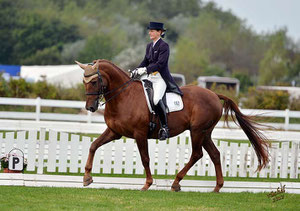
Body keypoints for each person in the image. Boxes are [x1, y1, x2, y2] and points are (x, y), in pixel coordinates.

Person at [133, 21, 183, 140]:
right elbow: (145, 61)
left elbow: (160, 64)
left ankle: (164, 128)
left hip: (160, 78)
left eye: (152, 31)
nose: (150, 32)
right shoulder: (149, 46)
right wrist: (137, 70)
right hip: (149, 78)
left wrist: (145, 69)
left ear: (159, 32)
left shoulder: (164, 46)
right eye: (149, 30)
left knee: (156, 99)